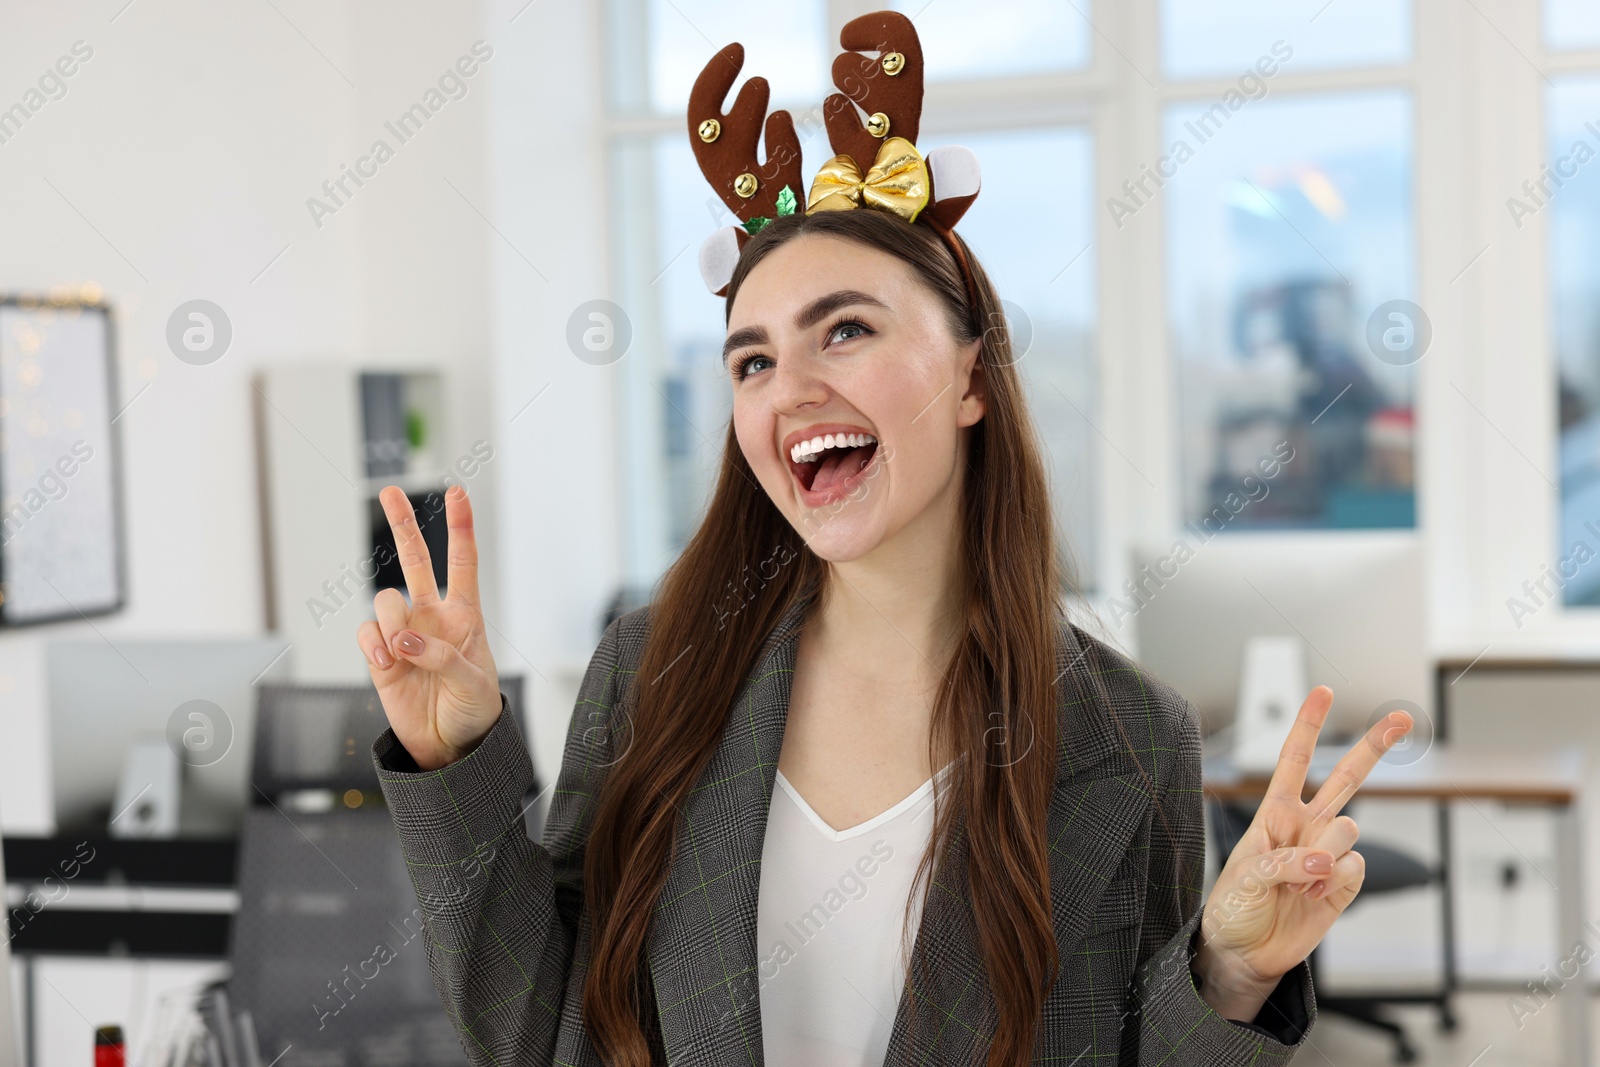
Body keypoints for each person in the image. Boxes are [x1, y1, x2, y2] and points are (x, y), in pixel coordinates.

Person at [359, 12, 1413, 1067]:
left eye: (847, 329)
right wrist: (454, 756)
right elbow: (540, 1028)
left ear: (967, 374)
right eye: (752, 361)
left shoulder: (1132, 734)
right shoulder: (652, 674)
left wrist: (1229, 978)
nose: (791, 390)